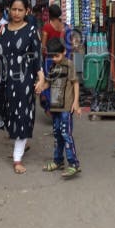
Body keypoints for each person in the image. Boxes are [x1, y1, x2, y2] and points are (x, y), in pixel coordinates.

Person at [0, 0, 46, 174]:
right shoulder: (2, 30)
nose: (17, 13)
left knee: (22, 115)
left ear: (27, 11)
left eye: (20, 10)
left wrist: (41, 78)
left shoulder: (31, 30)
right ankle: (21, 140)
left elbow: (36, 57)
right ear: (8, 10)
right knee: (6, 112)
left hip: (24, 81)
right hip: (5, 80)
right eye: (14, 9)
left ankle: (17, 158)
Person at [36, 38, 81, 178]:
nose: (54, 59)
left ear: (64, 52)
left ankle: (74, 164)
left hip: (66, 108)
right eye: (52, 56)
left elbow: (75, 84)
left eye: (57, 56)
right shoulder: (52, 67)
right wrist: (40, 87)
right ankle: (58, 161)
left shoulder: (69, 65)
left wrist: (76, 103)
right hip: (54, 107)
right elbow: (48, 84)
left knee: (66, 134)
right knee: (57, 135)